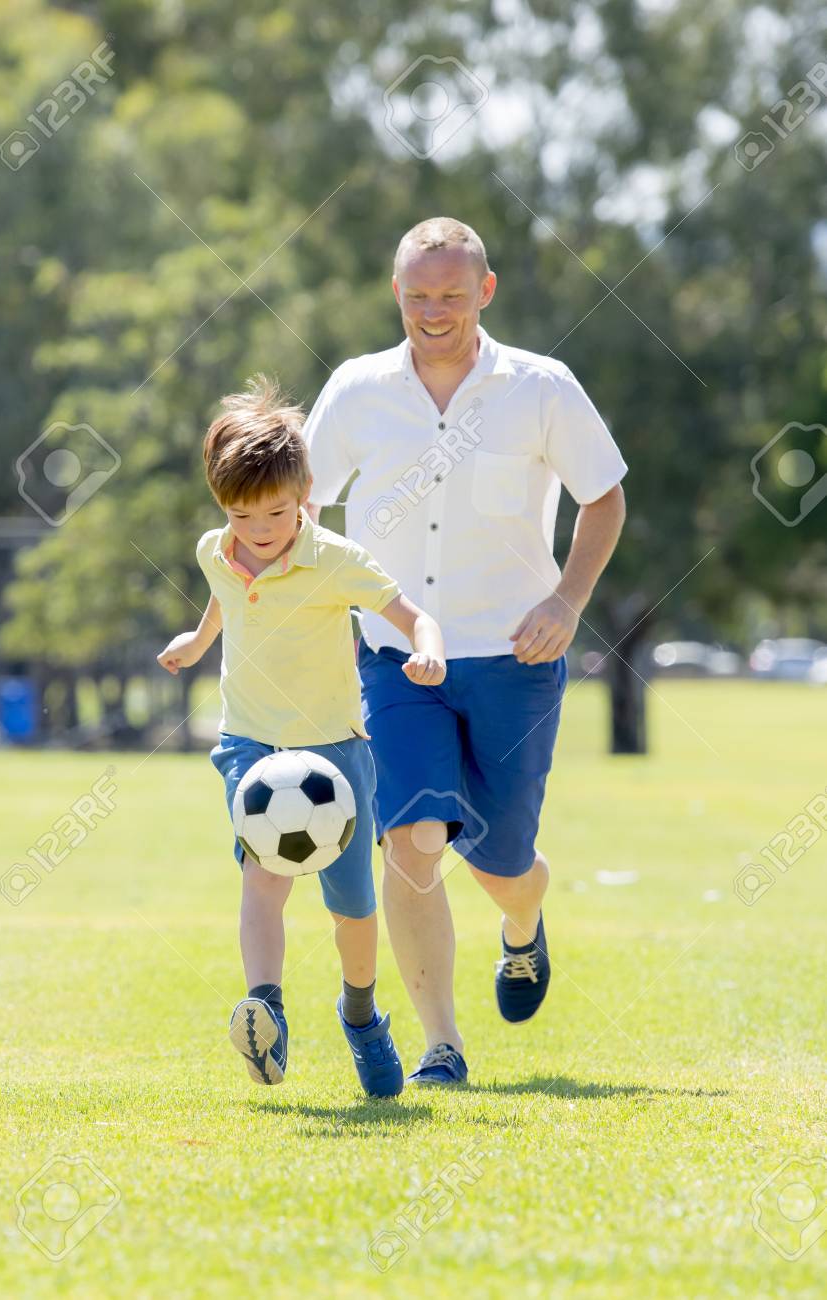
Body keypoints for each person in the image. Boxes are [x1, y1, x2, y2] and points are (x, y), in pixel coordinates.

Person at [303, 217, 627, 1086]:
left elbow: (604, 499)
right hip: (396, 654)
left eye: (451, 294)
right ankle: (441, 1045)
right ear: (395, 293)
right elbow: (300, 506)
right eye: (417, 295)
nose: (433, 311)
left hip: (516, 659)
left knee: (503, 864)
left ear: (484, 291)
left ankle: (523, 927)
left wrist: (568, 599)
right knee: (408, 843)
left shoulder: (541, 387)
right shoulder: (357, 389)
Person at [156, 376, 446, 1098]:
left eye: (277, 512)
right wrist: (196, 643)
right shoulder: (213, 552)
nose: (258, 529)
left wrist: (430, 648)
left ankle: (360, 1015)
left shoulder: (335, 559)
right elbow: (227, 604)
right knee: (264, 877)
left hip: (336, 752)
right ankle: (268, 1009)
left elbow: (412, 615)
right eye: (241, 513)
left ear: (305, 492)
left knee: (352, 911)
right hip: (250, 745)